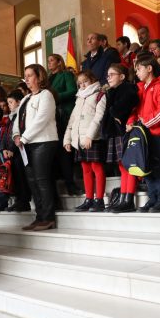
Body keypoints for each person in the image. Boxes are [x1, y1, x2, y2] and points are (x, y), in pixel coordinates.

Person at [13, 64, 59, 232]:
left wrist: (24, 137)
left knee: (41, 180)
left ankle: (48, 218)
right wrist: (16, 135)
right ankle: (39, 216)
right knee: (32, 181)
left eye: (30, 75)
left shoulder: (46, 95)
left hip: (44, 142)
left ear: (39, 77)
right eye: (25, 76)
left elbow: (42, 119)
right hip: (27, 144)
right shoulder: (25, 99)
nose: (27, 79)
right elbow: (17, 121)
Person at [127, 55, 160, 212]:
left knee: (159, 167)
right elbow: (133, 108)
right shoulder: (139, 88)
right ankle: (152, 198)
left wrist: (146, 122)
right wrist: (131, 122)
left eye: (139, 69)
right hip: (143, 134)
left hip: (156, 133)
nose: (137, 72)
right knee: (146, 166)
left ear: (149, 68)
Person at [64, 70, 107, 212]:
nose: (82, 85)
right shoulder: (79, 97)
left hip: (92, 138)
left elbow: (98, 117)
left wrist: (90, 136)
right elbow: (72, 119)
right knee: (85, 170)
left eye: (85, 81)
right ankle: (89, 199)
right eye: (80, 83)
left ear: (92, 80)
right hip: (79, 139)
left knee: (97, 168)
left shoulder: (99, 94)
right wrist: (67, 139)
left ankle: (99, 200)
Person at [102, 64, 140, 213]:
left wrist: (116, 113)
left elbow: (132, 100)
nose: (108, 77)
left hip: (123, 131)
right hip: (115, 132)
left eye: (112, 74)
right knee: (121, 165)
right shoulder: (112, 91)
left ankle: (128, 199)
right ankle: (123, 197)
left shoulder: (127, 88)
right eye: (107, 75)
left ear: (122, 77)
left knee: (127, 165)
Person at [48, 53, 81, 196]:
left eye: (51, 60)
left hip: (64, 116)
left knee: (64, 152)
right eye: (48, 61)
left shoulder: (66, 75)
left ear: (59, 62)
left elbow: (73, 91)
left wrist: (53, 97)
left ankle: (70, 184)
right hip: (51, 118)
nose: (49, 63)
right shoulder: (48, 79)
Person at [0, 90, 31, 212]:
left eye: (11, 102)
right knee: (16, 178)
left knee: (21, 178)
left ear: (19, 102)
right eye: (8, 103)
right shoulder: (10, 117)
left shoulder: (21, 115)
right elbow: (5, 135)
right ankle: (19, 200)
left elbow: (18, 134)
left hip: (19, 151)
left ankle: (24, 201)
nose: (9, 105)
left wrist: (12, 149)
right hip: (10, 152)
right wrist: (3, 148)